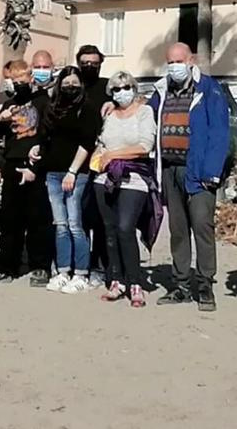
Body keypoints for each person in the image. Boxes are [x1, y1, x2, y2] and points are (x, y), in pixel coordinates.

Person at [148, 42, 231, 312]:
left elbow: (220, 133)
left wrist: (212, 172)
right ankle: (181, 285)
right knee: (178, 231)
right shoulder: (161, 90)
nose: (174, 67)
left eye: (179, 61)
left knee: (202, 227)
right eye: (170, 62)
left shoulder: (209, 89)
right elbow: (145, 116)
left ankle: (205, 284)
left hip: (198, 172)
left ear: (190, 60)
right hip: (169, 169)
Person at [91, 71, 160, 306]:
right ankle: (116, 280)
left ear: (134, 88)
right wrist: (101, 156)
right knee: (109, 230)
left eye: (126, 87)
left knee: (125, 228)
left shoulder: (144, 112)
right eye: (116, 89)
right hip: (105, 178)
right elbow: (101, 141)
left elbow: (144, 146)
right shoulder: (109, 113)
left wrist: (113, 155)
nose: (122, 92)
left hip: (134, 176)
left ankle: (135, 282)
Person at [0, 57, 52, 284]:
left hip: (34, 165)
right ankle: (7, 265)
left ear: (31, 78)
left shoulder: (42, 101)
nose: (19, 83)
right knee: (9, 219)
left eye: (23, 78)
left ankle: (40, 266)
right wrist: (0, 120)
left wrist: (34, 166)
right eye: (14, 80)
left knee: (37, 219)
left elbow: (47, 135)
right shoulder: (8, 104)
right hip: (11, 165)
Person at [39, 65, 102, 291]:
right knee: (61, 225)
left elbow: (87, 143)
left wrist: (73, 171)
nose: (70, 87)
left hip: (76, 173)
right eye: (66, 84)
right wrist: (37, 150)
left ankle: (81, 273)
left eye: (74, 84)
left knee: (76, 224)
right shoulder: (52, 108)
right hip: (53, 173)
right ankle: (63, 270)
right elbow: (46, 138)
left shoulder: (87, 108)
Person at [75, 44, 112, 275]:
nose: (89, 66)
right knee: (76, 214)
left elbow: (134, 102)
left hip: (101, 159)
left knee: (100, 214)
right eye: (85, 63)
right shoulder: (72, 86)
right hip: (75, 160)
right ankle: (79, 261)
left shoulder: (108, 87)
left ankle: (100, 262)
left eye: (94, 63)